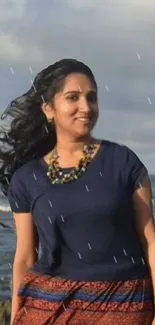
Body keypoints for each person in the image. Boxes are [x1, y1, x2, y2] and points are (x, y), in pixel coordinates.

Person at [0, 58, 154, 325]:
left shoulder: (124, 163)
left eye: (91, 98)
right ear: (48, 108)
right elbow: (24, 256)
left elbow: (150, 241)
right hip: (50, 309)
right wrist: (15, 316)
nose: (86, 107)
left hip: (124, 306)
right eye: (73, 97)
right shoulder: (26, 179)